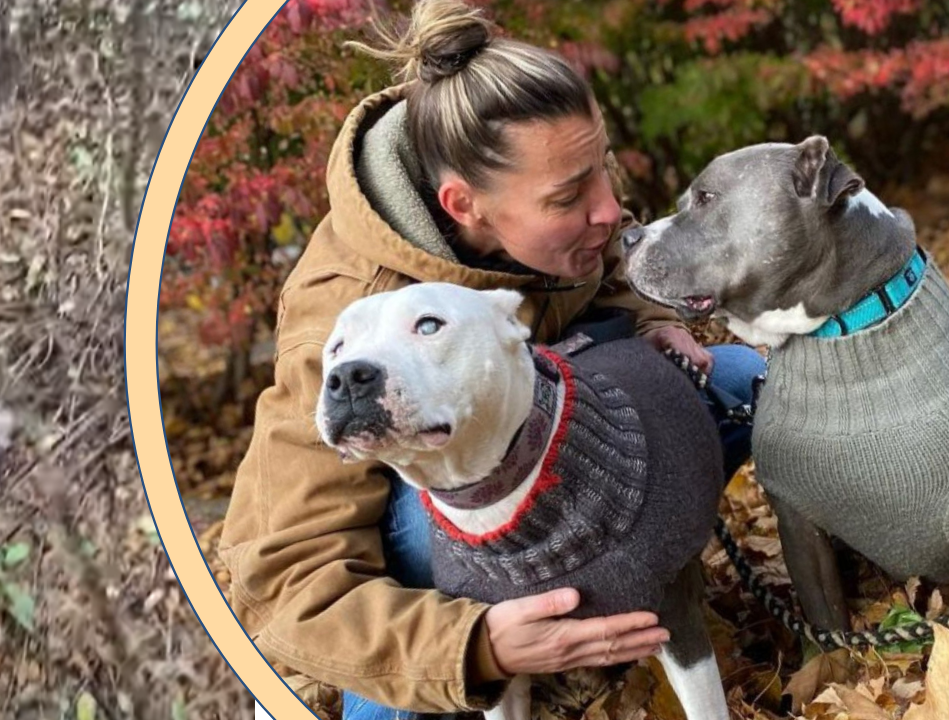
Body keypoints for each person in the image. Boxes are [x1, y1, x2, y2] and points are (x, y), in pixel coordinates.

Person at [218, 1, 766, 718]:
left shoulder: (552, 182)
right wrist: (475, 647)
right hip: (424, 532)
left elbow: (610, 260)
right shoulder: (348, 313)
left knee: (737, 382)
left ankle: (639, 578)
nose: (608, 210)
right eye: (570, 197)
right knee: (420, 566)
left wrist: (654, 320)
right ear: (464, 205)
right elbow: (293, 574)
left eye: (602, 170)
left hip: (571, 438)